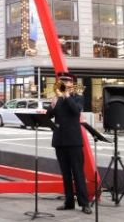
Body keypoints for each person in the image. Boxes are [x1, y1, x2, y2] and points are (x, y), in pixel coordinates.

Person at [47, 72, 92, 214]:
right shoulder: (58, 98)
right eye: (61, 81)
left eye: (66, 81)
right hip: (60, 141)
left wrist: (66, 96)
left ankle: (85, 204)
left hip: (74, 142)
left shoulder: (78, 97)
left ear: (72, 83)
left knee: (78, 173)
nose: (63, 84)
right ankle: (69, 202)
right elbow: (49, 116)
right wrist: (52, 105)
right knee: (65, 174)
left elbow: (76, 111)